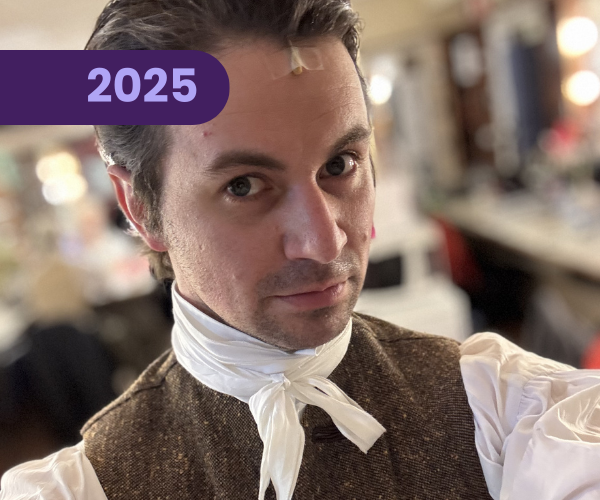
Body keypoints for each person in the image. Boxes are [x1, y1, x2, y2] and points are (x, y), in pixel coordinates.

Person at [2, 0, 600, 499]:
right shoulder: (85, 488)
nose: (325, 239)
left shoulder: (505, 411)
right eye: (243, 185)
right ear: (140, 207)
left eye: (340, 165)